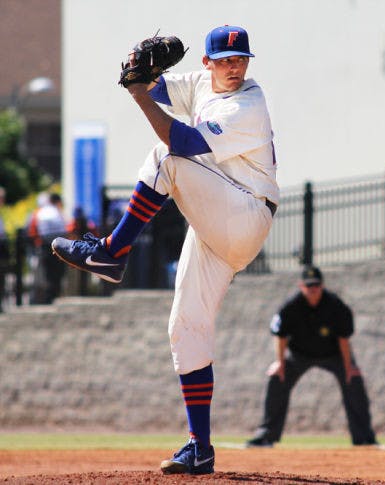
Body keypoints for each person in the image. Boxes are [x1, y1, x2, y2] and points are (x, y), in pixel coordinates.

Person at [51, 25, 278, 475]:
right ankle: (201, 447)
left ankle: (113, 251)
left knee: (166, 157)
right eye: (227, 59)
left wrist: (139, 96)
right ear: (208, 62)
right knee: (185, 328)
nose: (236, 67)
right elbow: (159, 88)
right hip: (215, 222)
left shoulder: (247, 102)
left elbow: (184, 142)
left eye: (242, 59)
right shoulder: (199, 83)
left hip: (246, 213)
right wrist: (141, 78)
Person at [246, 266, 378, 448]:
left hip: (334, 354)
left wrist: (349, 367)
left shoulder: (336, 306)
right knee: (277, 377)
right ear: (301, 286)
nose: (313, 289)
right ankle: (266, 435)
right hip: (298, 354)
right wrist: (280, 362)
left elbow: (343, 339)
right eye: (309, 286)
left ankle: (364, 438)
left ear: (322, 285)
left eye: (316, 285)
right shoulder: (290, 306)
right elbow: (280, 335)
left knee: (353, 379)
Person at [28, 193, 68, 304]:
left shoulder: (40, 213)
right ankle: (53, 297)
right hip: (59, 246)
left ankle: (46, 299)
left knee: (46, 275)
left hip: (44, 247)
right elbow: (65, 230)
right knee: (56, 274)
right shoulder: (57, 213)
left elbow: (33, 231)